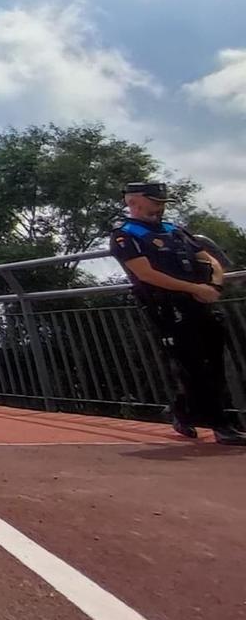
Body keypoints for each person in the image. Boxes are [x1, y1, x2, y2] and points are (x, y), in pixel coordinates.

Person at [110, 182, 246, 445]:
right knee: (193, 364)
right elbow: (145, 273)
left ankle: (183, 411)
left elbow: (209, 259)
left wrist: (213, 285)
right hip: (167, 307)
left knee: (215, 363)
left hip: (200, 302)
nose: (159, 206)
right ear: (134, 202)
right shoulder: (125, 234)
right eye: (153, 201)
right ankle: (222, 425)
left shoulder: (174, 230)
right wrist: (193, 287)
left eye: (161, 202)